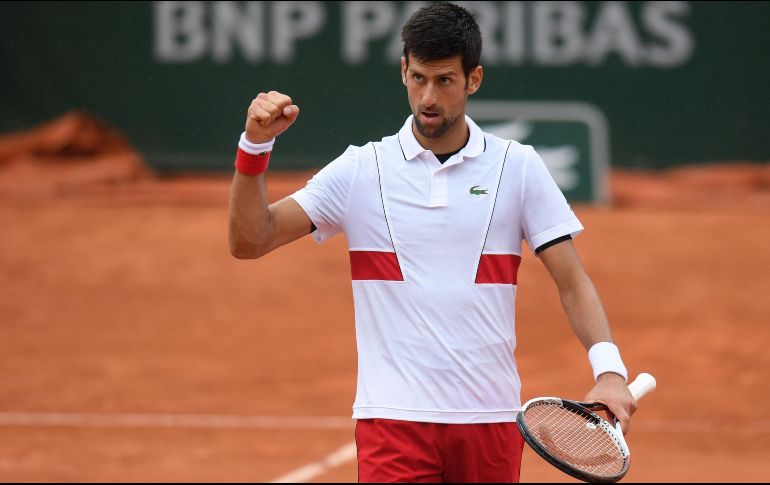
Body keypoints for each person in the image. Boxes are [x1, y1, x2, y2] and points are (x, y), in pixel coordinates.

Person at [228, 3, 636, 483]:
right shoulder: (362, 168)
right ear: (403, 71)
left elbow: (571, 280)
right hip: (393, 421)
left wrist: (609, 369)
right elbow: (250, 240)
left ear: (474, 79)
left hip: (490, 422)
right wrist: (254, 147)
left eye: (444, 80)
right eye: (418, 77)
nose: (428, 96)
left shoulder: (518, 167)